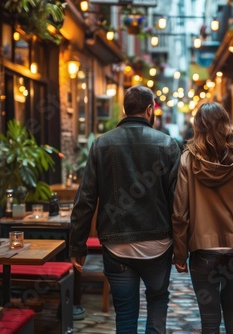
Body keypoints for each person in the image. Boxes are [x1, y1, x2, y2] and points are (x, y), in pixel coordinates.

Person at [69, 85, 181, 333]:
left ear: (124, 109)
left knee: (126, 318)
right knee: (157, 303)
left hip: (116, 246)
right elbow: (179, 202)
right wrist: (182, 249)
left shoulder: (101, 145)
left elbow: (86, 198)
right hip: (158, 245)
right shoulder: (168, 145)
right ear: (150, 109)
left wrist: (77, 246)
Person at [172, 102, 233, 334]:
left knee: (209, 316)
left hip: (203, 252)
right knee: (232, 306)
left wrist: (180, 252)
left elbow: (180, 212)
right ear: (226, 123)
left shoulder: (188, 160)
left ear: (198, 127)